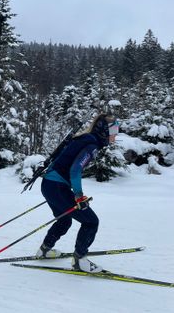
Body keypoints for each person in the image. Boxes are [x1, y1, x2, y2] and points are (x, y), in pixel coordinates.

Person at [35, 113, 119, 273]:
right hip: (57, 187)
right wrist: (79, 196)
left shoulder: (84, 139)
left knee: (64, 220)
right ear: (104, 131)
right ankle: (80, 260)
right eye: (113, 130)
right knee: (91, 222)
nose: (115, 134)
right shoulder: (92, 144)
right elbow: (75, 170)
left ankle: (44, 250)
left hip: (49, 185)